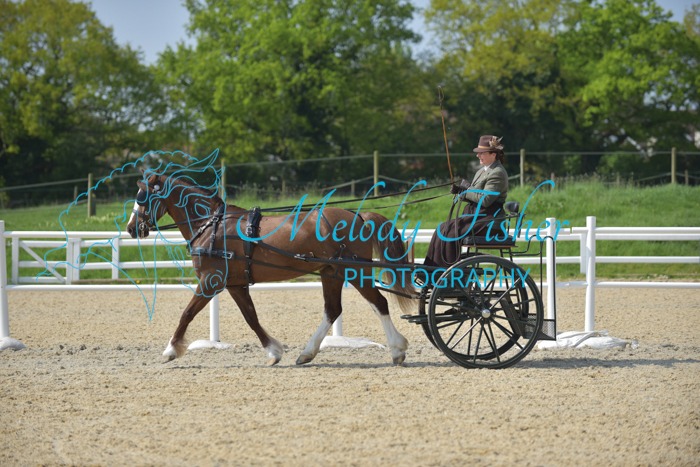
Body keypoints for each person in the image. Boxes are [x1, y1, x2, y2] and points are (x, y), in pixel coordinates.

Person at [423, 134, 509, 268]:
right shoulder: (481, 171)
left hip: (488, 220)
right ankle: (432, 269)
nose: (478, 155)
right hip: (476, 216)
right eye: (478, 153)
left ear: (493, 154)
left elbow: (485, 199)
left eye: (482, 153)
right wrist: (460, 191)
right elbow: (473, 194)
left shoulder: (497, 172)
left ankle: (447, 271)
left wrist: (466, 190)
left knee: (451, 233)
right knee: (442, 228)